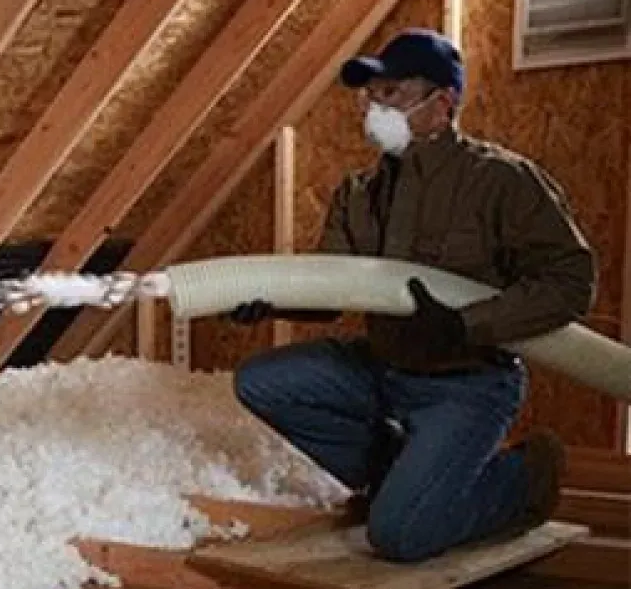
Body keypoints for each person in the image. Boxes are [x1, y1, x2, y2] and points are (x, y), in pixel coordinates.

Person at [228, 28, 596, 562]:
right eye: (371, 93)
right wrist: (271, 300)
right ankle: (400, 473)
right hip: (383, 369)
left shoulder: (502, 182)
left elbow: (570, 282)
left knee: (399, 536)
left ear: (442, 103)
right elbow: (332, 288)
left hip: (467, 384)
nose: (373, 105)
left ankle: (522, 481)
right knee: (262, 382)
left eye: (392, 92)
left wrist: (466, 325)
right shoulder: (358, 194)